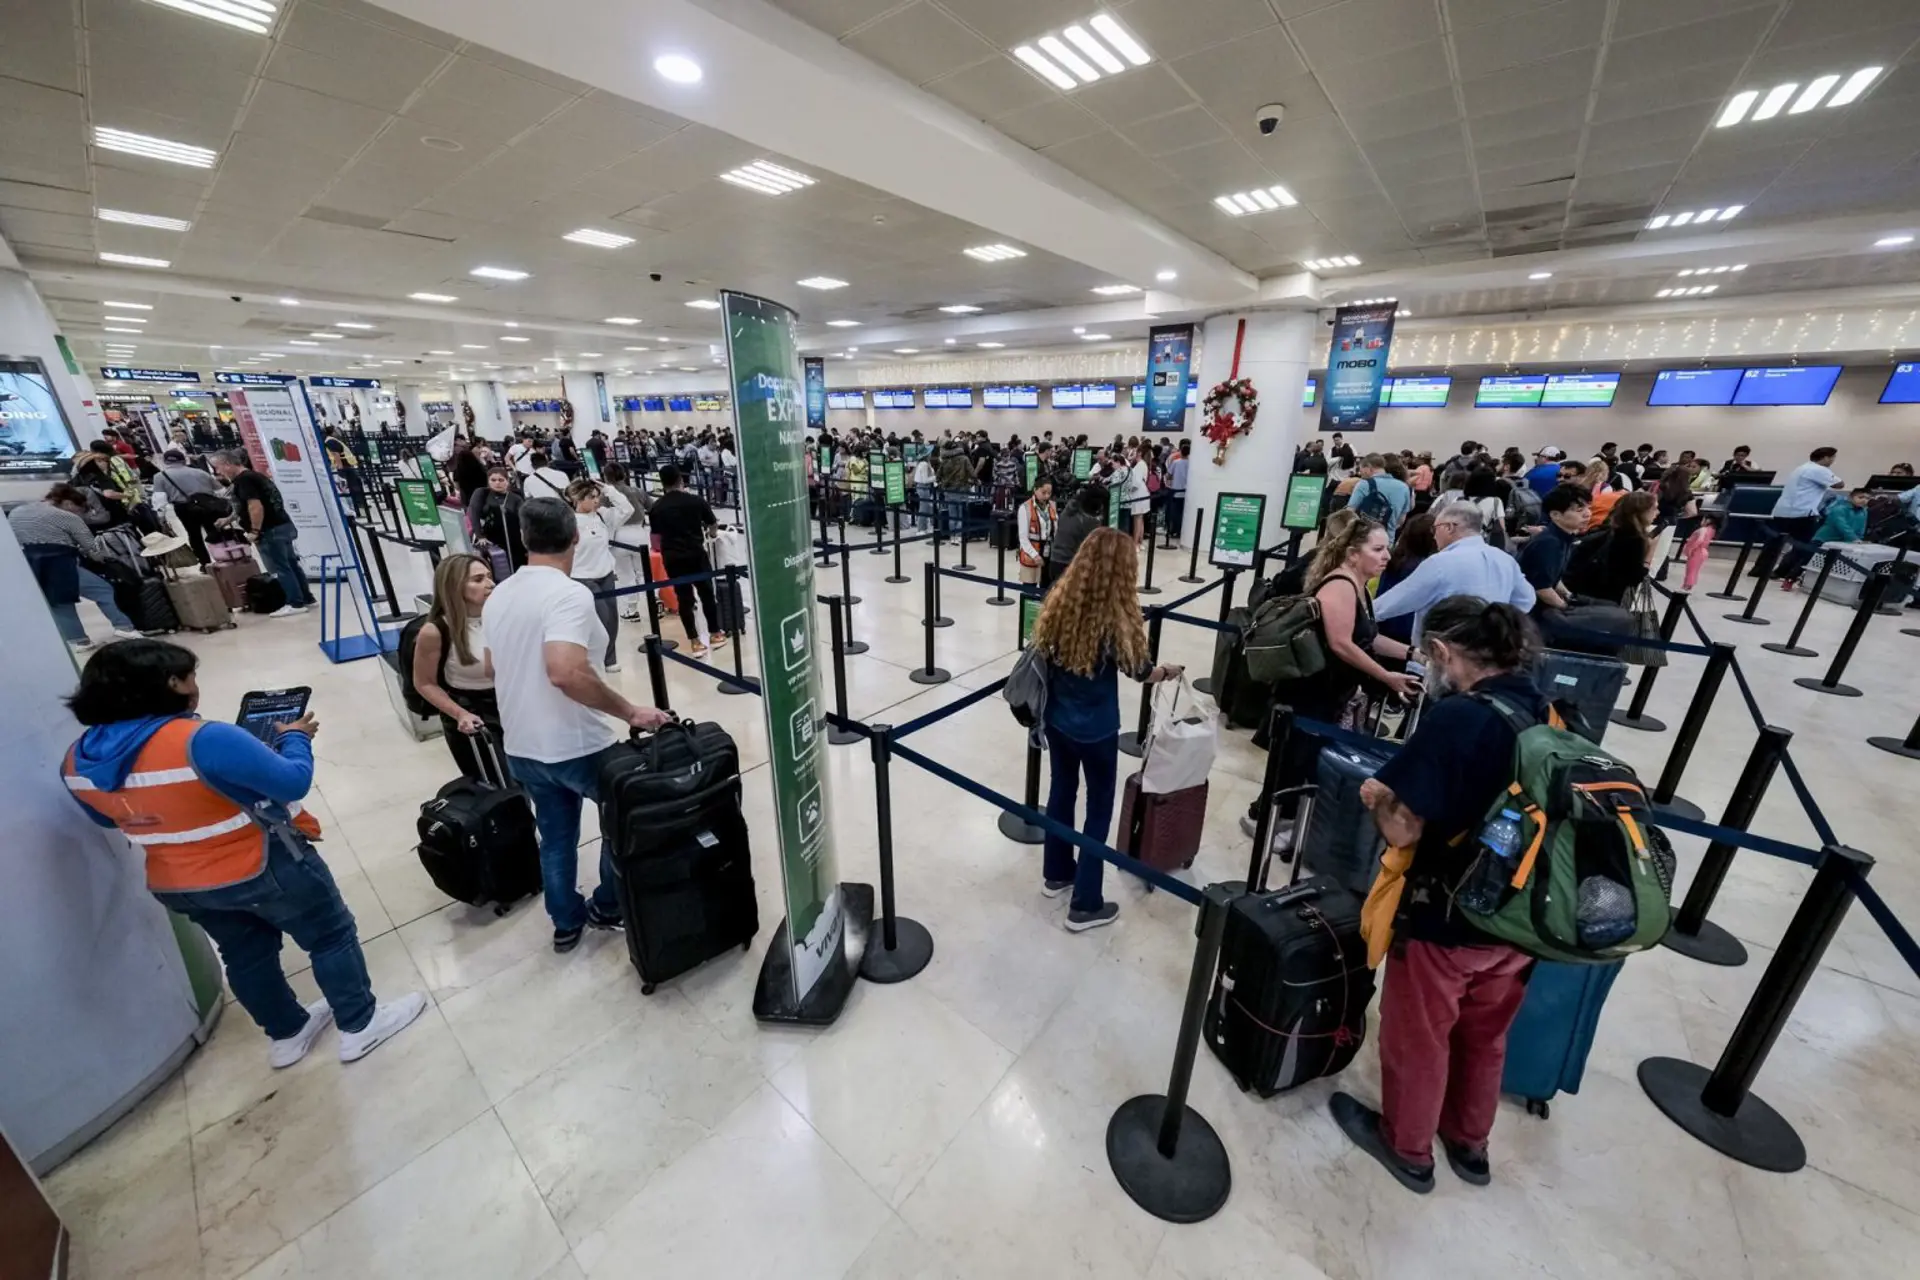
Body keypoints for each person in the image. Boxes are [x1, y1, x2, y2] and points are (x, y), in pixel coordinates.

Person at [62, 640, 426, 1066]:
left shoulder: (77, 759)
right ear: (170, 684)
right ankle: (360, 1026)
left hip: (178, 882)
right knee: (329, 936)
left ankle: (287, 1035)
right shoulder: (203, 738)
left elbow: (108, 819)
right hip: (262, 865)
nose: (196, 686)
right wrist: (295, 739)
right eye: (190, 677)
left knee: (244, 954)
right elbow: (291, 783)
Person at [1331, 597, 1546, 1194]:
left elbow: (1404, 827)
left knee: (1419, 1033)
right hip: (1521, 914)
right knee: (1483, 1033)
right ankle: (1470, 1144)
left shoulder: (1458, 718)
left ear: (1445, 653)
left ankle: (1407, 1147)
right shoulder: (1546, 707)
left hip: (1450, 912)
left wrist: (1379, 798)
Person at [484, 499, 672, 951]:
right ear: (575, 537)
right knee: (620, 825)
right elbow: (565, 671)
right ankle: (608, 906)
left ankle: (565, 922)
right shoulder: (569, 594)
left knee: (555, 837)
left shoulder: (500, 593)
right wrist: (630, 712)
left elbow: (492, 669)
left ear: (525, 540)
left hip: (523, 745)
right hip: (578, 743)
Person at [1026, 529, 1180, 931]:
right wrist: (1168, 672)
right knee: (1099, 807)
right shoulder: (1115, 618)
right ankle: (1086, 903)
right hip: (1096, 729)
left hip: (1057, 720)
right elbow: (1140, 671)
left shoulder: (1060, 600)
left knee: (1061, 792)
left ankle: (1056, 873)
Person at [1239, 518, 1417, 849]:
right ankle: (1264, 819)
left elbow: (1368, 638)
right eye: (1377, 549)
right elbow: (1341, 644)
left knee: (1305, 759)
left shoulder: (1360, 586)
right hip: (1310, 691)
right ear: (1352, 553)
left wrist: (1411, 652)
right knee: (1293, 760)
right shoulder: (1340, 585)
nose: (1386, 556)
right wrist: (1386, 676)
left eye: (1386, 548)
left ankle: (1286, 820)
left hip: (1330, 692)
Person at [1373, 504, 1535, 649]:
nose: (1434, 536)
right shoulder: (1504, 559)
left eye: (1435, 529)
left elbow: (1394, 603)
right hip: (1489, 653)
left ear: (1449, 527)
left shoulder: (1440, 563)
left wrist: (1361, 613)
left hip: (1443, 655)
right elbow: (1526, 599)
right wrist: (1493, 625)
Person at [11, 483, 144, 648]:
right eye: (78, 510)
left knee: (60, 602)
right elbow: (91, 548)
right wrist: (105, 561)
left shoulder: (17, 513)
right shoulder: (67, 517)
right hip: (60, 563)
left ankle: (77, 640)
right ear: (68, 503)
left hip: (29, 564)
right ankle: (123, 626)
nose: (78, 514)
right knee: (102, 589)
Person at [411, 553, 500, 780]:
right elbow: (424, 682)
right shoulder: (435, 631)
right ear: (455, 586)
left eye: (489, 577)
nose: (490, 584)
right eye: (478, 579)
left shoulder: (501, 616)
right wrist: (460, 713)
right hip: (473, 713)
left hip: (510, 706)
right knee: (496, 788)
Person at [210, 451, 312, 616]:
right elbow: (247, 506)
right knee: (291, 563)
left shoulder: (244, 480)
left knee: (280, 567)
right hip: (282, 524)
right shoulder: (255, 476)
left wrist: (254, 531)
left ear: (227, 463)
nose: (217, 472)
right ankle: (306, 597)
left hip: (269, 530)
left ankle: (295, 603)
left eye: (218, 467)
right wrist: (228, 519)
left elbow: (255, 506)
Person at [648, 465, 727, 658]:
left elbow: (655, 539)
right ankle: (715, 634)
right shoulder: (695, 501)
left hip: (673, 557)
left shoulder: (656, 507)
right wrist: (712, 534)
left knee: (684, 598)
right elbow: (712, 523)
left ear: (662, 482)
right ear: (680, 480)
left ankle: (695, 642)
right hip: (696, 553)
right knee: (707, 593)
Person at [562, 478, 633, 671]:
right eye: (591, 497)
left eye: (597, 497)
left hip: (606, 574)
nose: (596, 501)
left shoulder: (602, 515)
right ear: (578, 499)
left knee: (611, 618)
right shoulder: (568, 521)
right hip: (581, 576)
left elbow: (627, 509)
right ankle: (592, 658)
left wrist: (608, 489)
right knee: (600, 617)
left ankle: (609, 659)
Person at [1516, 483, 1594, 618]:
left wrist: (1568, 596)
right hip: (1528, 613)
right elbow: (1542, 589)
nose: (1587, 514)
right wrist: (1567, 609)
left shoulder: (1563, 536)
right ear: (1555, 515)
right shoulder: (1549, 543)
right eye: (1579, 510)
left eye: (1588, 507)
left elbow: (1553, 578)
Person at [1770, 447, 1844, 586]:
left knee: (1774, 543)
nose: (1833, 461)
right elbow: (1839, 484)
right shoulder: (1820, 470)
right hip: (1802, 512)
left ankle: (1761, 570)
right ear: (1826, 458)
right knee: (1802, 545)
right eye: (1833, 458)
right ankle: (1783, 572)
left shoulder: (1801, 468)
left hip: (1782, 510)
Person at [1565, 491, 1656, 604]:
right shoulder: (1635, 539)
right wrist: (1649, 556)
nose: (1657, 513)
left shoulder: (1609, 529)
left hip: (1586, 587)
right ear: (1643, 512)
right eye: (1654, 509)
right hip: (1607, 596)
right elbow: (1634, 577)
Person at [152, 447, 225, 566]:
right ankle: (223, 558)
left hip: (184, 509)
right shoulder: (201, 472)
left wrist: (161, 517)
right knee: (214, 532)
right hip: (209, 506)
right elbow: (221, 491)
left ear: (165, 462)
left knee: (194, 535)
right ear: (183, 460)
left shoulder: (160, 476)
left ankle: (205, 563)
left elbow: (159, 500)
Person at [1045, 484, 1105, 589]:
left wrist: (1083, 493)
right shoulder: (1089, 522)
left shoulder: (1068, 512)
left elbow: (1075, 500)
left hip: (1055, 560)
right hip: (1070, 565)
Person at [470, 466, 526, 571]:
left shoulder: (516, 497)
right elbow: (474, 514)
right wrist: (480, 536)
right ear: (488, 481)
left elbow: (524, 519)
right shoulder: (481, 493)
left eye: (501, 480)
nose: (497, 483)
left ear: (507, 481)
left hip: (513, 540)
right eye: (493, 480)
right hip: (491, 541)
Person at [1346, 453, 1413, 540]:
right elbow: (1401, 520)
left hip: (1362, 539)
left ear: (1369, 467)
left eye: (1361, 469)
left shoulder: (1364, 484)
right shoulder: (1404, 487)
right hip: (1387, 541)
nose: (1360, 472)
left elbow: (1350, 512)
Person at [1014, 478, 1059, 586]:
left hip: (1049, 552)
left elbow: (1056, 530)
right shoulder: (1025, 508)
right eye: (1043, 492)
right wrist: (1035, 555)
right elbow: (1023, 538)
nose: (1047, 496)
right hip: (1031, 553)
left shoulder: (1052, 506)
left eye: (1049, 493)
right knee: (1029, 590)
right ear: (1035, 490)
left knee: (1047, 589)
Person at [1681, 512, 1721, 590]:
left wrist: (1691, 549)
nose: (1701, 521)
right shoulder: (1712, 530)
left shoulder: (1703, 529)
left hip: (1697, 551)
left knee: (1690, 570)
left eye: (1703, 519)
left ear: (1708, 520)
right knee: (1695, 570)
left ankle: (1687, 587)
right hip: (1703, 551)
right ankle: (1688, 586)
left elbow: (1700, 540)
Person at [1165, 440, 1190, 542]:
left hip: (1175, 490)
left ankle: (1173, 530)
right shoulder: (1191, 463)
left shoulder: (1176, 462)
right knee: (1182, 512)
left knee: (1173, 512)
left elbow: (1169, 475)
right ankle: (1181, 531)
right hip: (1186, 490)